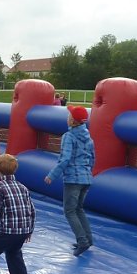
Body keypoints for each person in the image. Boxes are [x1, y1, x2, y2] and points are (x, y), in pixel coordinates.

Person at [44, 105, 95, 256]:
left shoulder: (69, 136)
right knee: (79, 209)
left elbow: (65, 159)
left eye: (69, 116)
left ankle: (82, 241)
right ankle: (88, 239)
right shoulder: (88, 137)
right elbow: (92, 158)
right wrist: (88, 173)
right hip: (85, 178)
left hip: (73, 179)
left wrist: (51, 175)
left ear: (72, 120)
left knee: (69, 211)